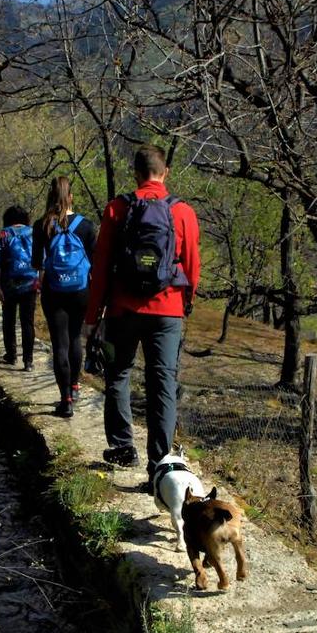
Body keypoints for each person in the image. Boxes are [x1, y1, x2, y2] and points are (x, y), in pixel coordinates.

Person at [84, 145, 200, 482]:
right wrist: (185, 302)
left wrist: (93, 317)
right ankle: (158, 467)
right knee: (162, 384)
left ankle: (122, 447)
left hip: (123, 308)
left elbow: (101, 267)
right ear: (165, 173)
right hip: (168, 311)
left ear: (135, 174)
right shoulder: (183, 212)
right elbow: (192, 265)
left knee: (118, 375)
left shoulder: (118, 208)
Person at [34, 177, 97, 418]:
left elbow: (36, 263)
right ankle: (75, 385)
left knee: (59, 344)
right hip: (81, 291)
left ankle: (66, 401)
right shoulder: (86, 225)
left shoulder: (42, 226)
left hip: (54, 291)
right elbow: (94, 262)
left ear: (50, 197)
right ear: (71, 197)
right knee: (75, 339)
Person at [0, 205, 37, 371]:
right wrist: (40, 281)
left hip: (8, 284)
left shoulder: (3, 233)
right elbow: (41, 258)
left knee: (9, 320)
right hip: (30, 283)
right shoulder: (33, 232)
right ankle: (28, 361)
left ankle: (11, 355)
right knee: (28, 322)